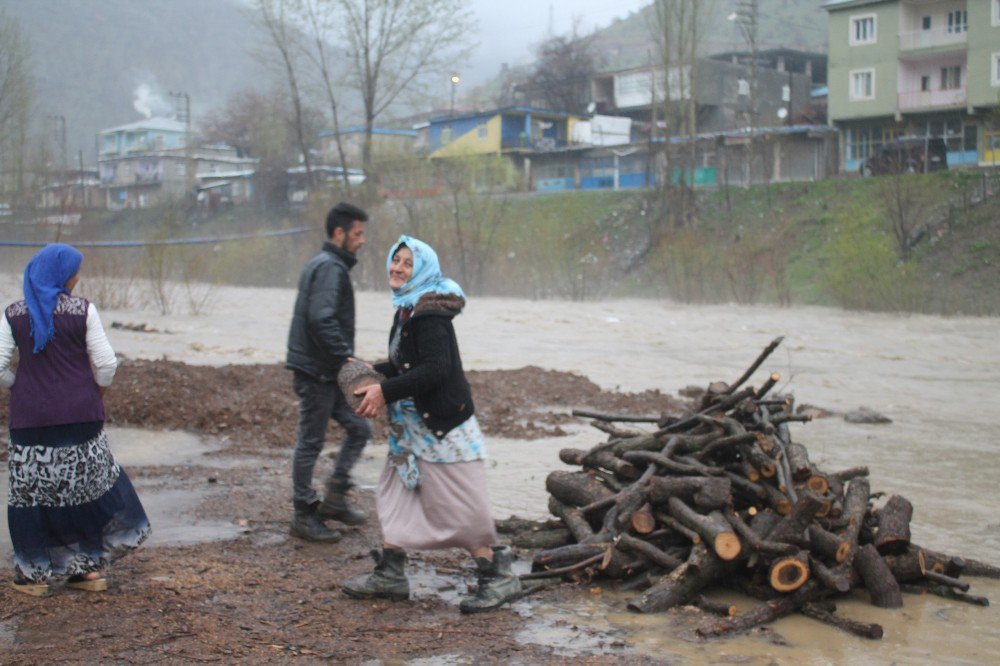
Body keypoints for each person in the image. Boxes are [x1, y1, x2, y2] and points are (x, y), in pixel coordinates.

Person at [343, 235, 521, 614]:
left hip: (443, 430)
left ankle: (498, 576)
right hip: (412, 431)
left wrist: (384, 391)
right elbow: (407, 364)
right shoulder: (408, 309)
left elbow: (435, 370)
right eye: (395, 260)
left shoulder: (428, 316)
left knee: (458, 508)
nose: (397, 268)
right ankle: (390, 574)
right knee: (394, 495)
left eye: (407, 263)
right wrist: (374, 371)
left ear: (422, 270)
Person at [1, 243, 150, 597]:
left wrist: (17, 386)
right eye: (74, 271)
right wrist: (97, 392)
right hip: (81, 416)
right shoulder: (83, 310)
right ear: (63, 276)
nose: (77, 277)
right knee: (86, 490)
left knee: (31, 496)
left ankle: (34, 578)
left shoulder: (13, 313)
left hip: (30, 420)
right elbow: (107, 363)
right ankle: (89, 572)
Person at [286, 202, 373, 542]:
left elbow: (321, 318)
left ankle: (335, 498)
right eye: (358, 233)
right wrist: (346, 358)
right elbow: (321, 319)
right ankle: (303, 513)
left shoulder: (327, 264)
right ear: (340, 233)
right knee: (310, 442)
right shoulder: (330, 268)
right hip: (317, 371)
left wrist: (341, 361)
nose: (362, 240)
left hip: (325, 371)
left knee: (360, 428)